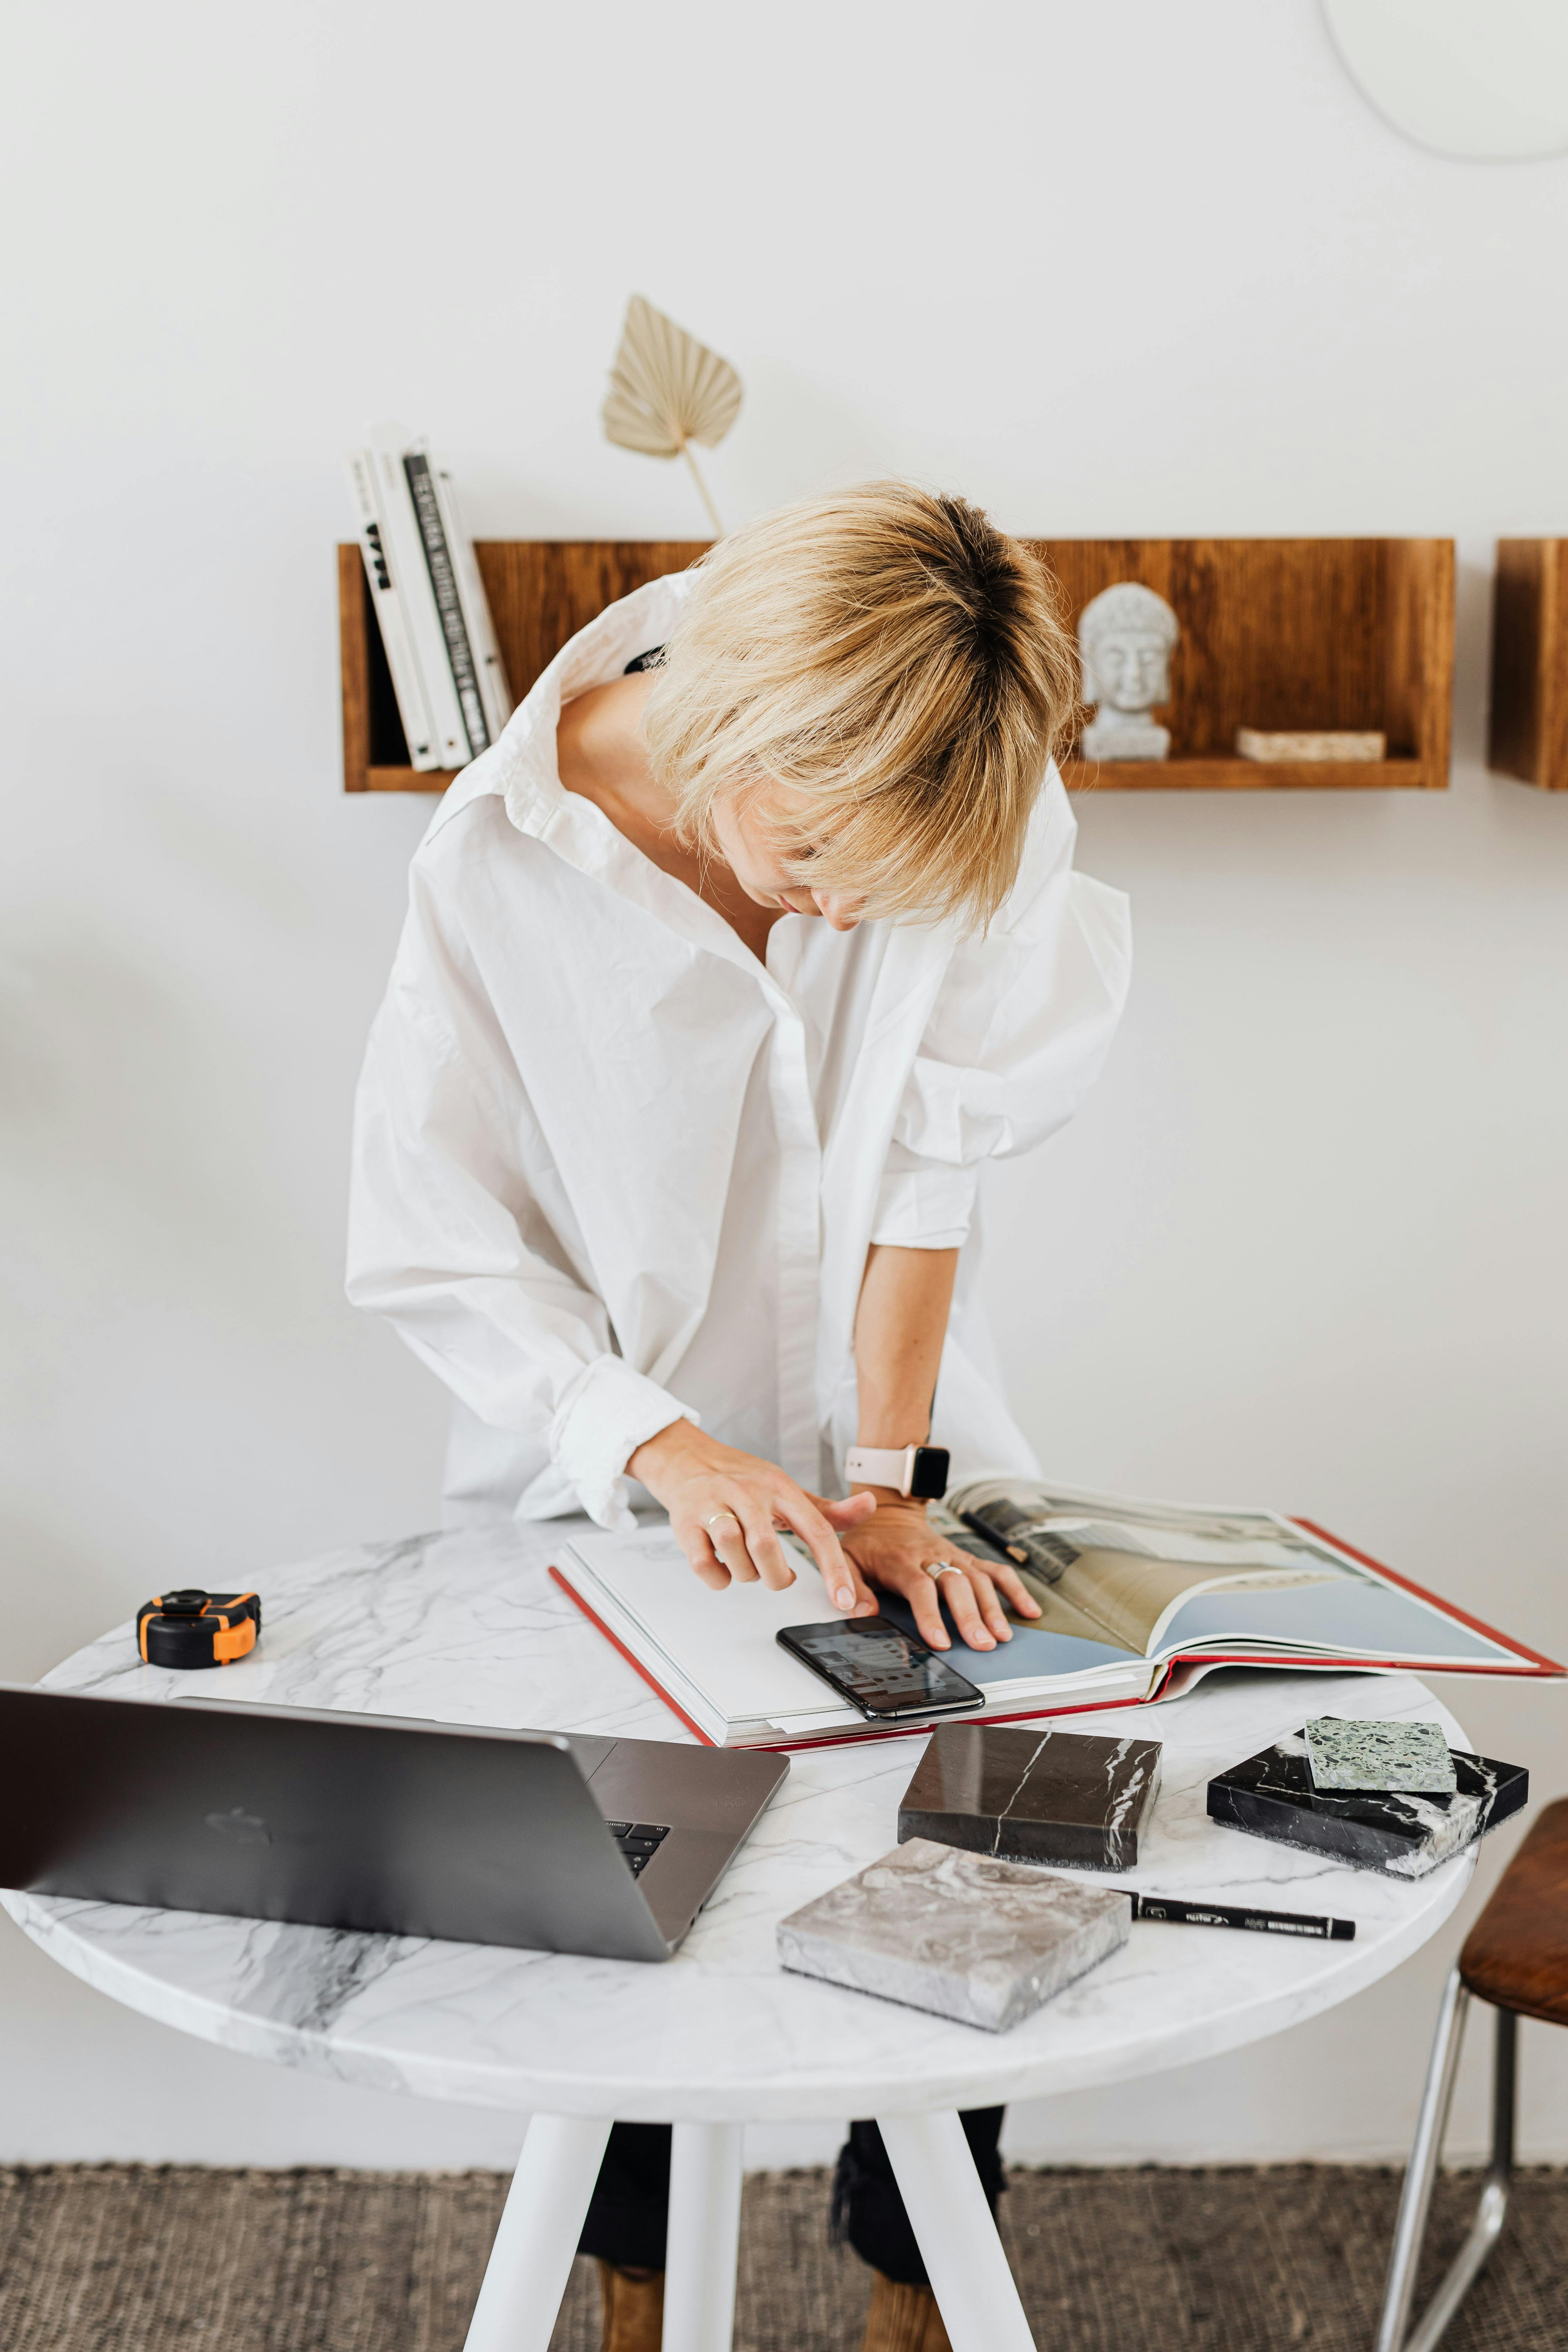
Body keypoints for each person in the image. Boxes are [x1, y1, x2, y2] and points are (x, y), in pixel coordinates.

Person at [347, 482, 1131, 2352]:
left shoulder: (973, 778)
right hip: (605, 1492)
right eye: (819, 865)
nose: (852, 912)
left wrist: (883, 1484)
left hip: (913, 1445)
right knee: (627, 1905)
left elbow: (930, 1174)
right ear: (743, 733)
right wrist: (653, 1440)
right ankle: (635, 2297)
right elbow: (432, 1241)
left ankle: (914, 2288)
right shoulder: (495, 859)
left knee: (982, 1853)